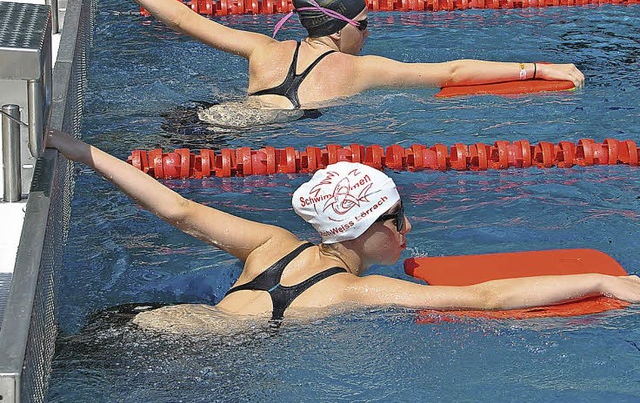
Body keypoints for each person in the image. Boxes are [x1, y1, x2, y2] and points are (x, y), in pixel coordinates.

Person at [47, 136, 640, 333]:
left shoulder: (273, 242)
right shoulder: (352, 293)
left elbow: (175, 208)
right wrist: (603, 280)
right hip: (157, 354)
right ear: (373, 228)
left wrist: (77, 149)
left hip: (132, 320)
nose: (408, 232)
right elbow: (485, 297)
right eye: (400, 219)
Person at [73, 0, 584, 117]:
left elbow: (183, 18)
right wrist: (540, 69)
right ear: (343, 27)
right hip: (248, 149)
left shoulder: (263, 47)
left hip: (201, 122)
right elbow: (451, 72)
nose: (370, 33)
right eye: (365, 24)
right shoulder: (361, 69)